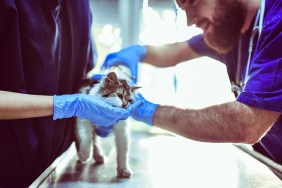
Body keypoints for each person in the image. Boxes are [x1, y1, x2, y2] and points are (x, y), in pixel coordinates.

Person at [102, 0, 282, 168]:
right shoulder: (232, 28)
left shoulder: (277, 21)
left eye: (193, 1)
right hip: (271, 163)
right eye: (182, 8)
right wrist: (139, 52)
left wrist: (146, 110)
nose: (189, 21)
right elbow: (175, 52)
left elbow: (247, 124)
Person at [0, 1, 141, 187]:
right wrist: (68, 104)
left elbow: (83, 71)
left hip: (58, 166)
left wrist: (98, 100)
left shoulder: (80, 5)